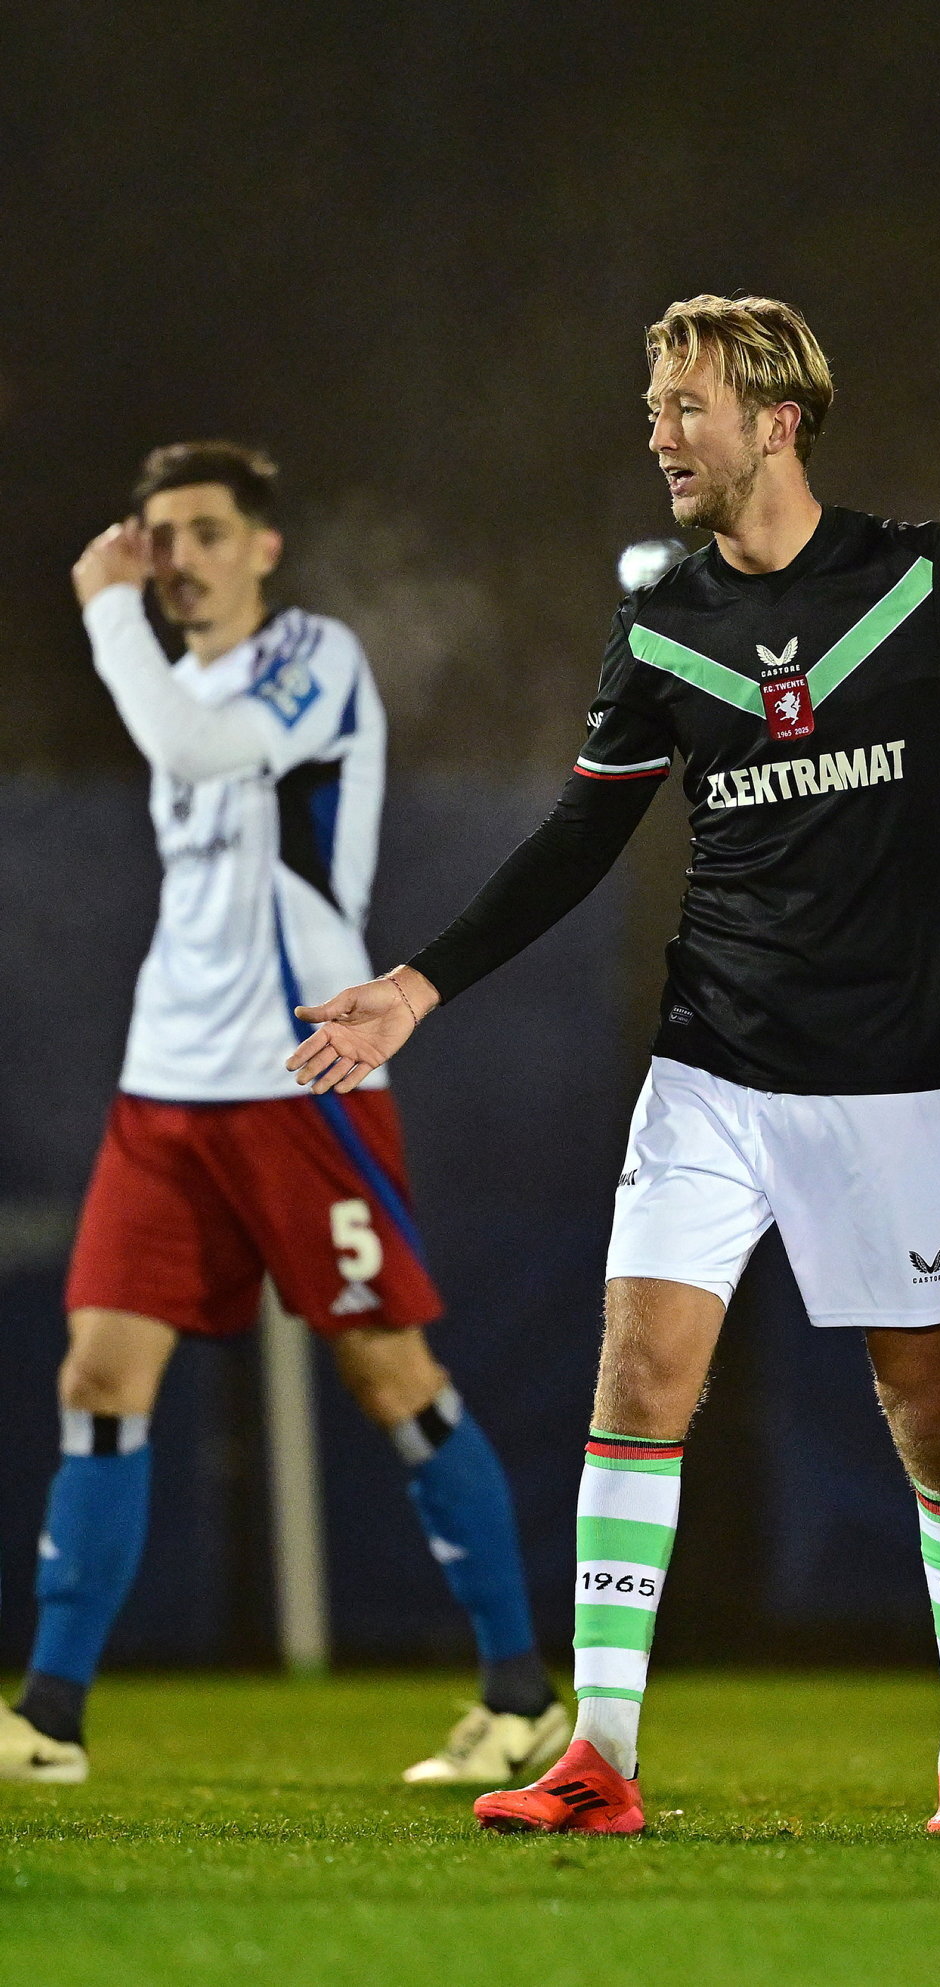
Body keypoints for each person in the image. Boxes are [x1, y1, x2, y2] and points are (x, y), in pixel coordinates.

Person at [285, 298, 940, 1837]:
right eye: (655, 403)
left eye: (687, 404)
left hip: (890, 1085)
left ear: (777, 421)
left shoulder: (926, 576)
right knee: (639, 1376)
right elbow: (580, 833)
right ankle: (599, 1752)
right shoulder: (664, 621)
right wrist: (419, 984)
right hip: (711, 1067)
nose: (661, 431)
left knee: (936, 1423)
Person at [2, 443, 556, 1789]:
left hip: (306, 1085)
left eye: (202, 531)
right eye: (158, 534)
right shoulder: (176, 680)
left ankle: (521, 1697)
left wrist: (100, 606)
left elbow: (200, 746)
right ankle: (52, 1721)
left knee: (391, 1381)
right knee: (98, 1380)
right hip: (165, 1093)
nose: (177, 557)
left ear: (262, 546)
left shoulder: (314, 659)